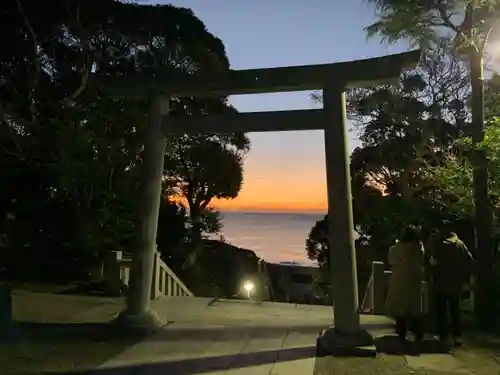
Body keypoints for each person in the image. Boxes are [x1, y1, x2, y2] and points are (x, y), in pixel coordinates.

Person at [427, 221, 474, 346]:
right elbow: (469, 261)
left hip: (441, 281)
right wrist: (465, 279)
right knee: (455, 309)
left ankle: (442, 335)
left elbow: (433, 262)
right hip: (456, 281)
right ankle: (457, 335)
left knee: (441, 309)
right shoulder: (461, 244)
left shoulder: (441, 246)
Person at [385, 225, 425, 342]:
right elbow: (422, 259)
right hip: (414, 278)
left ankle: (401, 331)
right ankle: (417, 331)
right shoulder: (419, 246)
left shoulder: (397, 247)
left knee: (400, 306)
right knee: (414, 305)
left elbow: (391, 259)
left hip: (400, 277)